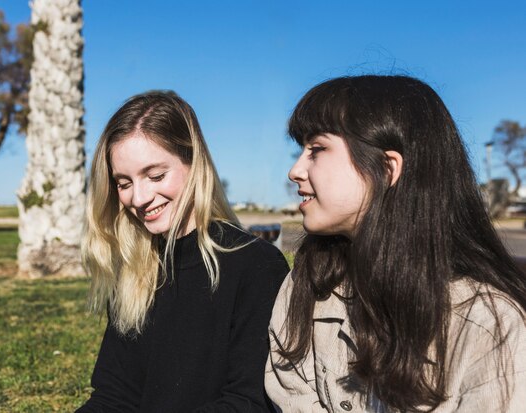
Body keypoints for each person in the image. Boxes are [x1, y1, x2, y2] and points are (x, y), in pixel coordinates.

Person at [265, 75, 526, 412]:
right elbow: (289, 389)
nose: (295, 171)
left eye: (316, 149)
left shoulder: (489, 326)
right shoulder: (308, 282)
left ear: (387, 169)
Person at [76, 90, 289, 412]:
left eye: (156, 175)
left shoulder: (256, 265)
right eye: (123, 183)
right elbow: (114, 394)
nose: (139, 198)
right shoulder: (133, 268)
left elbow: (248, 402)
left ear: (194, 163)